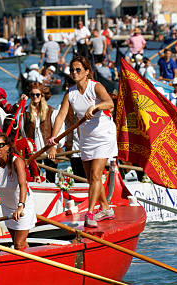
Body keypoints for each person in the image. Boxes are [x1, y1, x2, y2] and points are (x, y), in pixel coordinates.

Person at [49, 56, 117, 228]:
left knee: (95, 175)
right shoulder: (70, 93)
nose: (74, 72)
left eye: (78, 69)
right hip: (86, 137)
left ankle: (90, 212)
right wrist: (53, 139)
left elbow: (110, 103)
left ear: (87, 72)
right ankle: (106, 208)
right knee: (90, 178)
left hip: (104, 134)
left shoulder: (96, 87)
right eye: (72, 70)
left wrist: (95, 107)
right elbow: (61, 116)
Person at [21, 83, 62, 183]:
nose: (35, 97)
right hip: (33, 152)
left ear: (42, 96)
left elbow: (59, 132)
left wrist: (54, 148)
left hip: (49, 150)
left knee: (51, 177)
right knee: (33, 177)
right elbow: (23, 133)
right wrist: (28, 149)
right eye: (32, 95)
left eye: (38, 95)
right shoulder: (25, 112)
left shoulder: (52, 111)